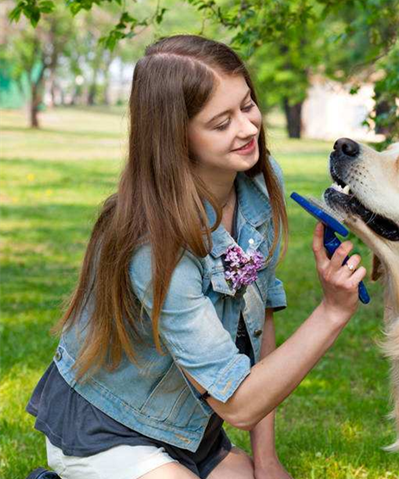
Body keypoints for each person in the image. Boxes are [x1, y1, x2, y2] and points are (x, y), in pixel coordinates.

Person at [25, 34, 367, 479]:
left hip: (188, 427)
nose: (247, 129)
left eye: (247, 106)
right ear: (175, 138)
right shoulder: (151, 242)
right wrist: (331, 312)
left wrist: (266, 460)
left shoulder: (260, 184)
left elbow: (257, 317)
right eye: (221, 122)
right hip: (107, 427)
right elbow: (239, 404)